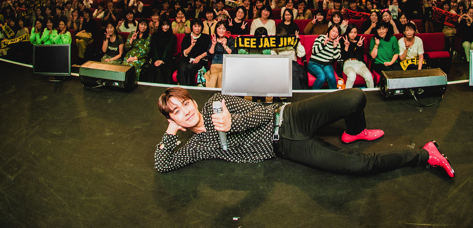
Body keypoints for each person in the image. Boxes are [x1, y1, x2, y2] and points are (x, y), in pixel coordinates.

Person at [154, 87, 454, 177]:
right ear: (174, 119)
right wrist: (171, 131)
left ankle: (354, 131)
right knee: (359, 166)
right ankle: (424, 154)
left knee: (356, 97)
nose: (186, 111)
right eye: (176, 111)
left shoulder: (217, 103)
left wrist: (234, 123)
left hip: (288, 114)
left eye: (185, 103)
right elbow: (163, 164)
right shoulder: (199, 145)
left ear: (193, 101)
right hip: (285, 145)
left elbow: (263, 110)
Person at [177, 19, 211, 86]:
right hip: (187, 60)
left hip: (200, 61)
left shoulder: (206, 37)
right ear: (192, 27)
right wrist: (191, 45)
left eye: (199, 26)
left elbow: (208, 51)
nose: (197, 28)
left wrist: (199, 57)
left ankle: (190, 87)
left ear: (202, 27)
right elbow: (184, 53)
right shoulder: (187, 38)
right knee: (182, 68)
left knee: (190, 67)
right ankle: (183, 87)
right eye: (195, 26)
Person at [308, 23, 342, 89]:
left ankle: (334, 94)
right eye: (333, 31)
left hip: (327, 64)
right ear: (329, 30)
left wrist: (335, 47)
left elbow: (337, 58)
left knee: (331, 77)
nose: (334, 34)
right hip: (314, 63)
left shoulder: (337, 42)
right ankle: (313, 94)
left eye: (337, 32)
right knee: (322, 77)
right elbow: (314, 51)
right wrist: (324, 43)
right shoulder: (321, 37)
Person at [205, 21, 235, 88]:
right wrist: (213, 44)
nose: (221, 31)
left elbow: (233, 54)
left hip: (226, 66)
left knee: (220, 76)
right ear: (216, 29)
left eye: (223, 29)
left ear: (226, 30)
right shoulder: (214, 39)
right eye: (219, 28)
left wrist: (225, 46)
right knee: (214, 76)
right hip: (215, 65)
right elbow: (210, 54)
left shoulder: (230, 40)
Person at [147, 19, 177, 83]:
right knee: (153, 68)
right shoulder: (155, 35)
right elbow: (154, 48)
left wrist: (162, 60)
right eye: (164, 25)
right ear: (160, 26)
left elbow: (169, 49)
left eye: (167, 25)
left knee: (161, 69)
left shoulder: (172, 37)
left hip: (167, 59)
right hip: (156, 59)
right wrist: (156, 59)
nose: (166, 27)